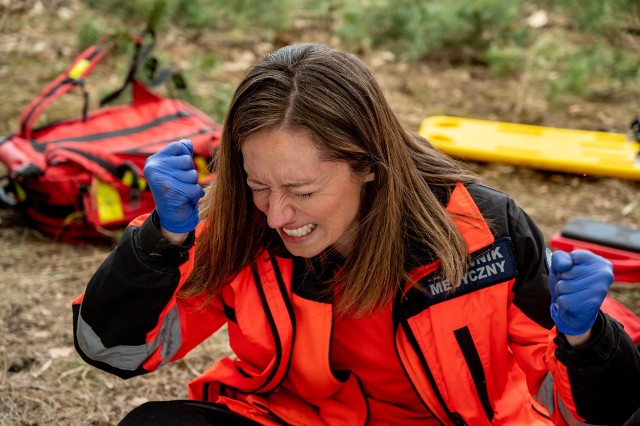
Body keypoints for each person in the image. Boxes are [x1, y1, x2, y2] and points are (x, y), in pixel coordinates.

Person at [72, 43, 640, 426]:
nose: (276, 215)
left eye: (303, 189)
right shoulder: (237, 219)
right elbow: (114, 351)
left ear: (369, 163)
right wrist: (156, 245)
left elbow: (598, 413)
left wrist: (589, 343)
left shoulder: (485, 231)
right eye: (256, 184)